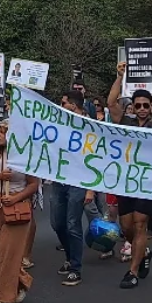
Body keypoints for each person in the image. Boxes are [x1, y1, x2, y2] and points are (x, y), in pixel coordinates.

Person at [107, 60, 152, 289]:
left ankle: (133, 271)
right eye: (138, 105)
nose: (142, 109)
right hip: (126, 181)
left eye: (146, 105)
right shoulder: (126, 123)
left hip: (147, 181)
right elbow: (111, 103)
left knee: (139, 224)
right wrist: (119, 76)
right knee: (126, 226)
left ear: (150, 106)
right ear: (133, 107)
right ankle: (143, 251)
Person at [0, 122, 38, 303]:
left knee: (8, 251)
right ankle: (22, 281)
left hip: (17, 206)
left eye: (3, 132)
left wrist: (15, 198)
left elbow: (33, 185)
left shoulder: (24, 158)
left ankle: (1, 297)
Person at [48, 90, 95, 286]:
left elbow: (95, 156)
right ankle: (69, 257)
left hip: (79, 181)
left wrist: (90, 188)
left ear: (74, 106)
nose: (61, 105)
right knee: (57, 223)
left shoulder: (90, 126)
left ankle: (76, 268)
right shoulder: (60, 123)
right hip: (59, 179)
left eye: (63, 102)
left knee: (72, 224)